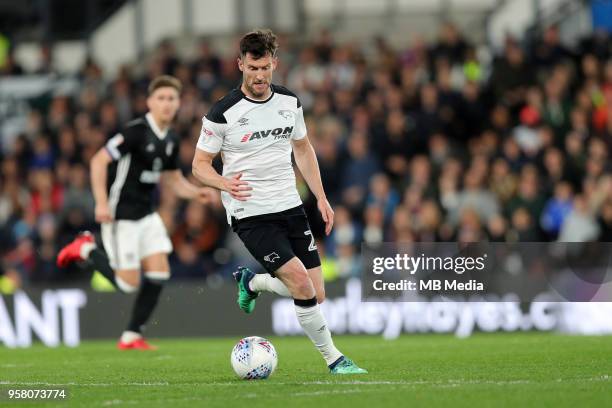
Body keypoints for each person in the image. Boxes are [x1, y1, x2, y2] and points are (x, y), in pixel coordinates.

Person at [192, 29, 367, 374]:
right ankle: (335, 360)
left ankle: (252, 282)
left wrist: (321, 198)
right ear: (240, 64)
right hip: (250, 213)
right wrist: (222, 181)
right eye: (252, 68)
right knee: (300, 283)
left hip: (290, 206)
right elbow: (199, 165)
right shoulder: (222, 112)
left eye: (264, 68)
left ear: (275, 63)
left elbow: (302, 148)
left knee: (316, 295)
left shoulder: (289, 103)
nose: (259, 76)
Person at [57, 75, 212, 350]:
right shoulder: (135, 132)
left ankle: (132, 335)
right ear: (150, 102)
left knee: (160, 272)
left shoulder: (172, 139)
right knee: (128, 284)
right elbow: (98, 161)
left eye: (171, 99)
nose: (166, 103)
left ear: (178, 104)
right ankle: (86, 249)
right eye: (161, 98)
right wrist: (102, 203)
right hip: (122, 214)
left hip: (146, 214)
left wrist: (195, 192)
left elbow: (174, 180)